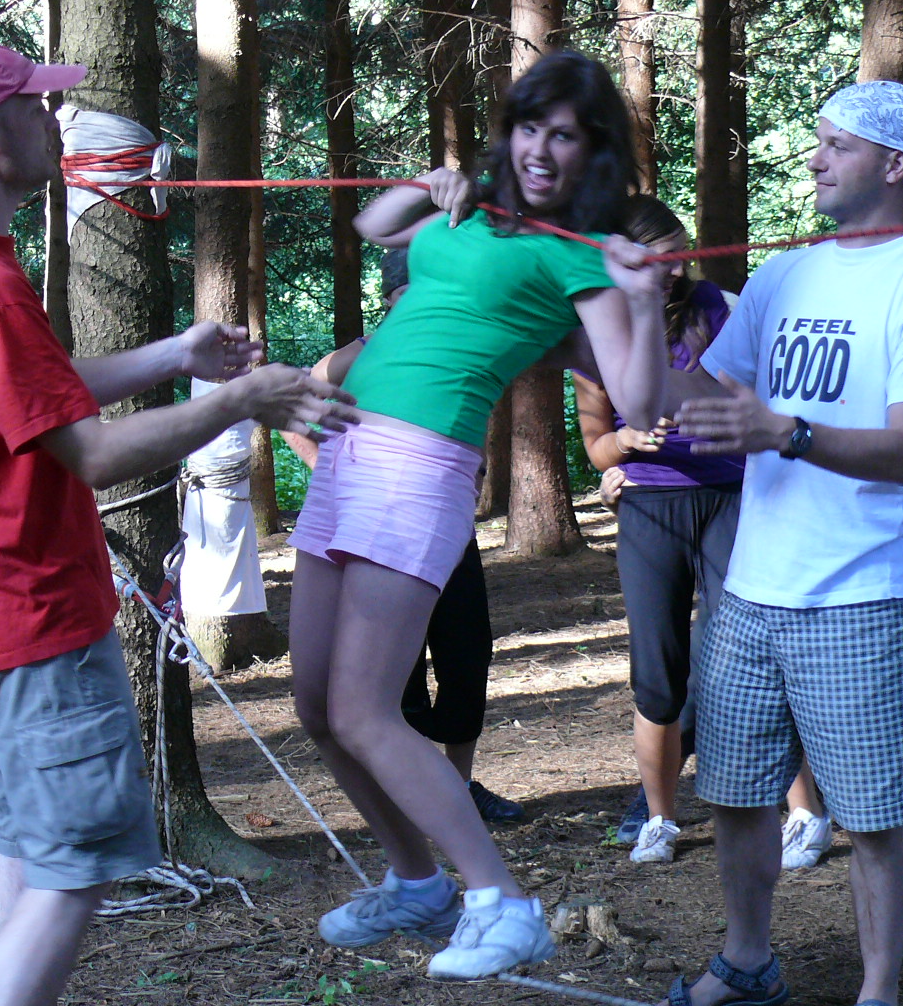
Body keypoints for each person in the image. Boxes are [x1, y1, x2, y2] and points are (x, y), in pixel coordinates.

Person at [0, 41, 358, 1006]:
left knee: (33, 854)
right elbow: (93, 454)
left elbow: (37, 391)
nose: (54, 120)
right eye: (36, 106)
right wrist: (240, 401)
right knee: (72, 872)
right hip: (30, 624)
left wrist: (176, 356)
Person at [288, 50, 669, 981]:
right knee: (317, 706)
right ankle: (416, 882)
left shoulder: (581, 255)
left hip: (418, 467)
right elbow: (373, 224)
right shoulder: (476, 210)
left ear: (594, 153)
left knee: (364, 709)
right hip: (346, 456)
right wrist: (434, 182)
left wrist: (645, 298)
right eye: (530, 127)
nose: (540, 149)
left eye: (564, 136)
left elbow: (639, 399)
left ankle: (504, 904)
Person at [664, 80, 903, 1006]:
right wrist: (619, 317)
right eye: (818, 141)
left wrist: (788, 432)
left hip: (861, 594)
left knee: (872, 817)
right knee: (736, 795)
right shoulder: (783, 274)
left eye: (837, 145)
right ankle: (747, 963)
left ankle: (878, 994)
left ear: (895, 164)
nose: (814, 159)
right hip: (751, 590)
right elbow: (706, 401)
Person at [283, 249, 526, 824]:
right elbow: (295, 409)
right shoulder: (357, 355)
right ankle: (408, 790)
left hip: (443, 525)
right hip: (372, 532)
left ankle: (460, 784)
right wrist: (330, 470)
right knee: (395, 673)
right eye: (411, 295)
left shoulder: (459, 345)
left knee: (466, 651)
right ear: (389, 299)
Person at [572, 197, 744, 864]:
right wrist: (625, 443)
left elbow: (749, 399)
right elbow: (597, 446)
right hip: (649, 503)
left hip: (728, 495)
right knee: (657, 671)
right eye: (656, 260)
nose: (673, 270)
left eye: (679, 254)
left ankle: (795, 808)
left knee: (736, 648)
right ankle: (658, 816)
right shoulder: (597, 330)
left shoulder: (719, 308)